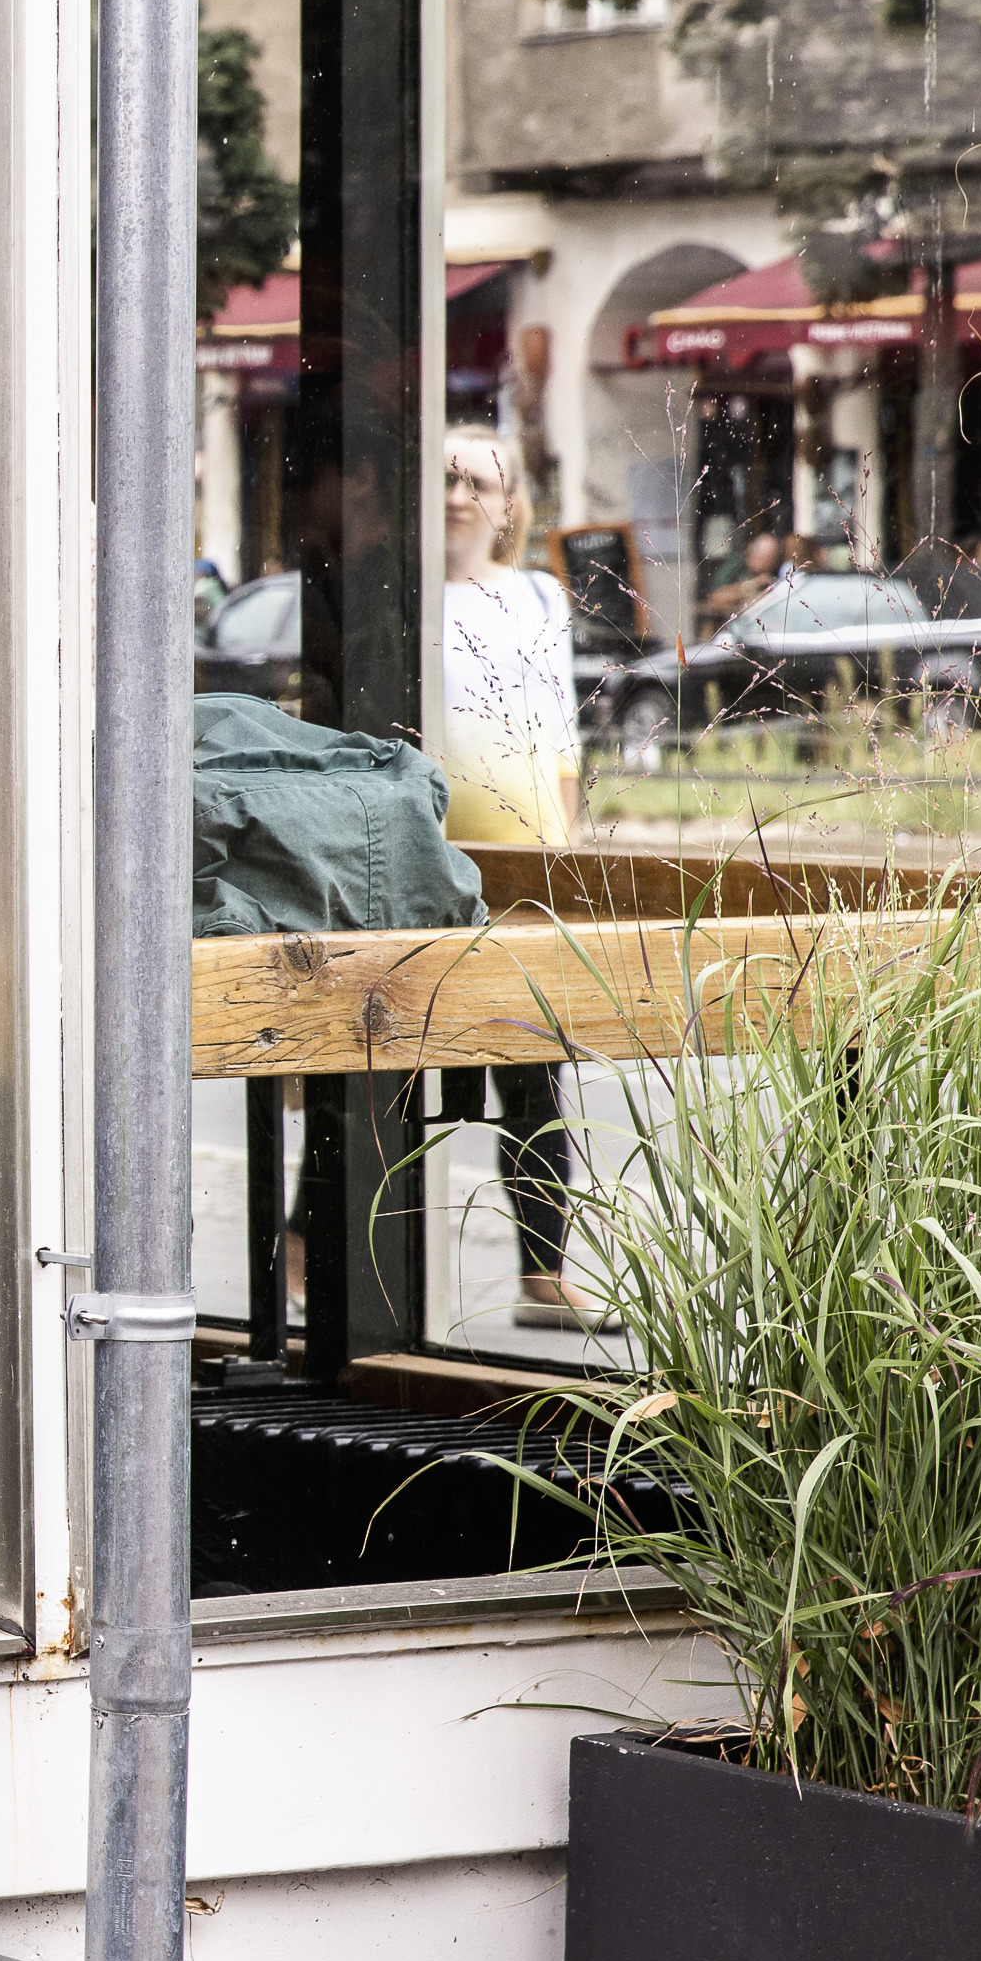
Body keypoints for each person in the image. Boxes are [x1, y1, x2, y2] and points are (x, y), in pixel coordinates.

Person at [435, 426, 596, 1322]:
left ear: (509, 504)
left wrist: (565, 842)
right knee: (392, 1047)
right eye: (449, 478)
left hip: (529, 858)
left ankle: (544, 1266)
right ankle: (312, 1238)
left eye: (480, 483)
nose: (462, 496)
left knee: (537, 1067)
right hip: (434, 855)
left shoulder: (540, 594)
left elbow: (561, 721)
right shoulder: (409, 598)